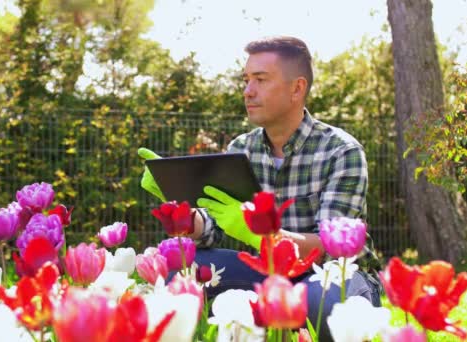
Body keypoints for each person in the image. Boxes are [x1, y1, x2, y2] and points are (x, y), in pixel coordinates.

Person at [139, 36, 381, 341]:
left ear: (297, 88)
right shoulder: (242, 148)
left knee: (323, 303)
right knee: (180, 276)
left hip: (337, 277)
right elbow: (216, 225)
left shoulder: (341, 151)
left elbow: (330, 247)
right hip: (268, 273)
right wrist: (183, 213)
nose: (248, 91)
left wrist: (263, 234)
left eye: (261, 80)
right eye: (246, 79)